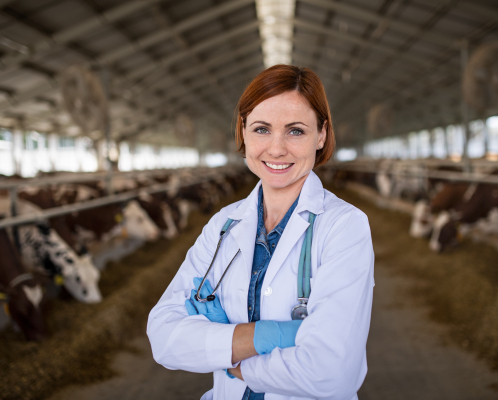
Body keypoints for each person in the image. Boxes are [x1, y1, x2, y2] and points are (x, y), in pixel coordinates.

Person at [147, 65, 375, 400]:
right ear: (243, 131)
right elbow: (163, 336)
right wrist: (265, 337)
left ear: (322, 135)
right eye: (262, 129)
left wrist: (232, 359)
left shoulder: (344, 226)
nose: (277, 149)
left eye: (296, 131)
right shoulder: (223, 226)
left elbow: (331, 372)